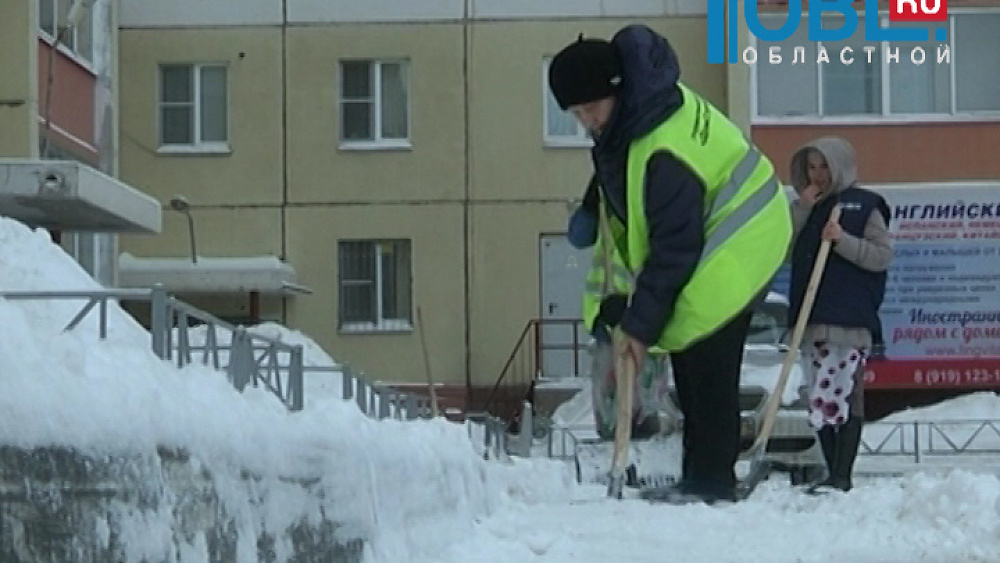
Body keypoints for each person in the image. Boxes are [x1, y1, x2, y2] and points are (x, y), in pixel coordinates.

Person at [548, 24, 792, 504]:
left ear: (615, 92)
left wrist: (638, 330)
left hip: (745, 234)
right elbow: (627, 185)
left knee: (708, 356)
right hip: (719, 231)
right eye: (576, 114)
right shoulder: (638, 112)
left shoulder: (663, 150)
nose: (587, 123)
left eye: (590, 109)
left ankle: (712, 482)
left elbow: (673, 249)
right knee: (689, 350)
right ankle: (699, 475)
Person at [788, 137, 893, 493]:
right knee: (817, 395)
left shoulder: (865, 206)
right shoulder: (809, 206)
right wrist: (801, 210)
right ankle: (830, 469)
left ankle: (841, 474)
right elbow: (786, 250)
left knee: (845, 394)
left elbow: (882, 256)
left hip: (848, 319)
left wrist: (842, 239)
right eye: (811, 167)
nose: (817, 175)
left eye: (824, 167)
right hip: (812, 318)